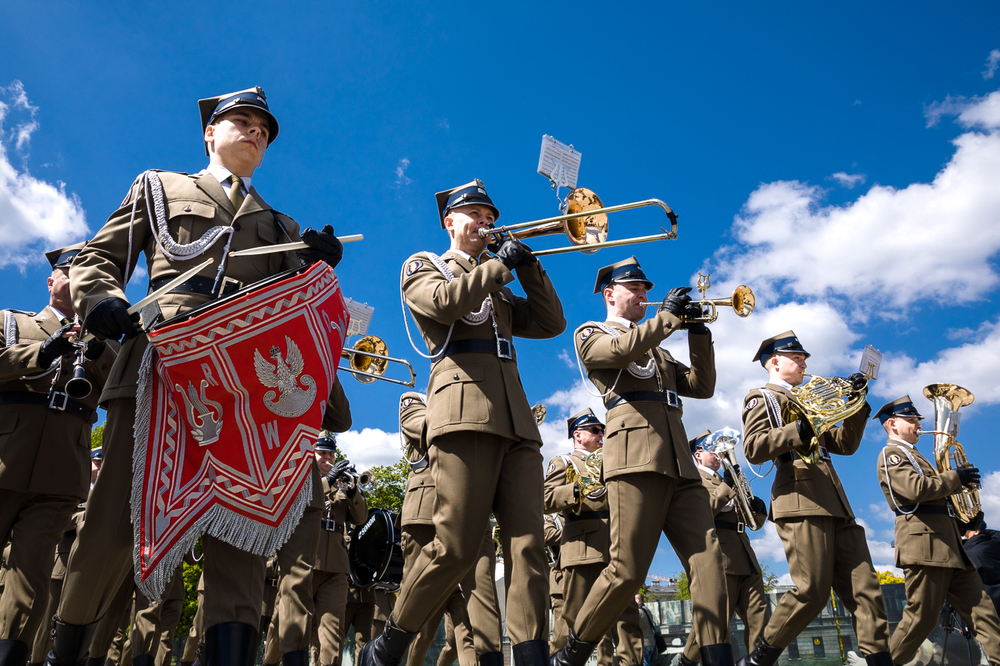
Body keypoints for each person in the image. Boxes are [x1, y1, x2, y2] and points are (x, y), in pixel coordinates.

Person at [49, 86, 345, 666]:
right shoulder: (160, 188)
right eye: (243, 121)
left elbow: (295, 322)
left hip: (244, 392)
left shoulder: (281, 223)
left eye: (265, 127)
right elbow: (96, 258)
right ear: (210, 131)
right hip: (161, 365)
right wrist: (103, 299)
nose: (257, 131)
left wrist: (313, 268)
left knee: (238, 536)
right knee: (115, 524)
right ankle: (65, 653)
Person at [361, 179, 565, 666]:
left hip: (516, 420)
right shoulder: (425, 264)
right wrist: (499, 266)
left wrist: (530, 265)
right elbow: (443, 304)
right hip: (462, 412)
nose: (484, 221)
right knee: (454, 548)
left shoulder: (496, 280)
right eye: (473, 212)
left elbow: (550, 321)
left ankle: (533, 654)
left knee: (527, 546)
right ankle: (391, 641)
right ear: (449, 222)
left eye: (489, 213)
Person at [551, 257, 730, 666]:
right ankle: (574, 653)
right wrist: (666, 318)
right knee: (627, 571)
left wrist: (698, 330)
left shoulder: (659, 349)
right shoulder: (591, 332)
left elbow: (702, 387)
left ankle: (715, 658)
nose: (644, 296)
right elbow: (618, 350)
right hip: (634, 460)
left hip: (680, 463)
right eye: (635, 289)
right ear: (610, 294)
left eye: (647, 290)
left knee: (710, 563)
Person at [739, 331, 889, 666]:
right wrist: (799, 430)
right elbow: (753, 448)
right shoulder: (762, 397)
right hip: (799, 496)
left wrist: (857, 403)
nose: (805, 363)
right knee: (811, 591)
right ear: (774, 361)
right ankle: (758, 659)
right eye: (797, 357)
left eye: (805, 357)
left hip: (836, 503)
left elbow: (844, 445)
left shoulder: (810, 398)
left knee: (867, 592)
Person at [0, 243, 118, 663]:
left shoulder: (103, 341)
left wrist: (100, 339)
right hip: (5, 455)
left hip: (61, 470)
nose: (80, 278)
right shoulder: (12, 322)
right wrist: (44, 351)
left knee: (29, 579)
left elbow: (125, 388)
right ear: (51, 281)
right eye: (72, 271)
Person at [873, 397, 1000, 664]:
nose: (919, 424)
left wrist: (966, 521)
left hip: (950, 546)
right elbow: (914, 490)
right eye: (912, 420)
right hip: (925, 548)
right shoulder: (892, 454)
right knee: (920, 619)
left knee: (984, 613)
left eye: (918, 419)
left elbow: (937, 500)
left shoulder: (917, 456)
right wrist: (956, 478)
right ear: (892, 424)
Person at [397, 392, 499, 666]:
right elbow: (424, 428)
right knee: (420, 616)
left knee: (470, 620)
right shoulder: (414, 399)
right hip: (426, 516)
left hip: (468, 514)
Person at [544, 409, 644, 666]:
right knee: (574, 622)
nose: (602, 434)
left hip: (616, 545)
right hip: (582, 548)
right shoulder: (564, 461)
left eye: (603, 430)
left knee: (626, 621)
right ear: (578, 435)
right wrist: (577, 490)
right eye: (595, 430)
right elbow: (544, 499)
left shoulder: (612, 461)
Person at [265, 432, 366, 666]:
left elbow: (360, 519)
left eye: (331, 453)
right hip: (303, 562)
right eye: (322, 453)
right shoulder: (299, 479)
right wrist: (327, 481)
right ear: (311, 454)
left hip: (336, 570)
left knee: (333, 634)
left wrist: (353, 495)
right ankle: (269, 662)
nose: (327, 458)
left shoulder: (342, 487)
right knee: (286, 623)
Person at [679, 432, 767, 664]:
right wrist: (728, 485)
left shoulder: (726, 479)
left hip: (745, 554)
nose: (719, 453)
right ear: (698, 455)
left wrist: (757, 509)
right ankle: (686, 662)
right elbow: (702, 513)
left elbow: (753, 522)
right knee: (715, 625)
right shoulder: (693, 480)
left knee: (759, 619)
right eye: (712, 449)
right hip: (720, 557)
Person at [961, 512, 1000, 615]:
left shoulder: (970, 553)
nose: (964, 534)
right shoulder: (994, 544)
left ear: (976, 532)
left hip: (987, 606)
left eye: (967, 530)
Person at [544, 514, 566, 655]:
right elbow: (546, 535)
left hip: (588, 579)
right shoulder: (552, 515)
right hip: (561, 582)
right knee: (561, 635)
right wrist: (579, 529)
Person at [635, 595, 658, 666]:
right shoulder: (647, 610)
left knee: (646, 664)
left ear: (638, 600)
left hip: (644, 643)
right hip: (651, 642)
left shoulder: (639, 612)